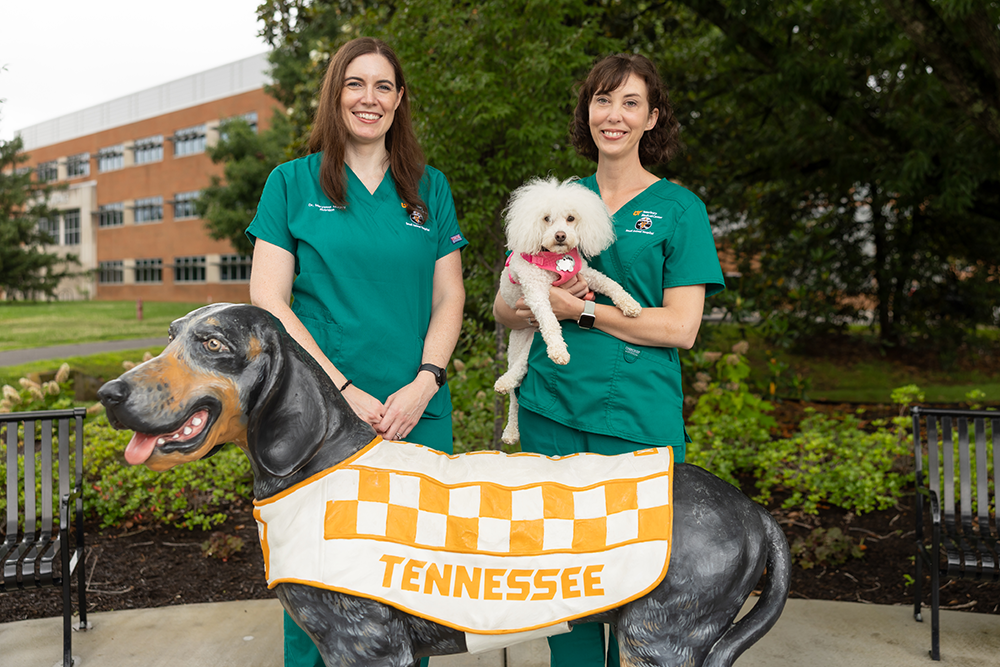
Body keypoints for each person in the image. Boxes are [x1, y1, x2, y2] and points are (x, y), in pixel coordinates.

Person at [493, 53, 725, 667]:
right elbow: (502, 306)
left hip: (637, 419)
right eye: (602, 100)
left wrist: (582, 313)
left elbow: (681, 328)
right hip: (551, 408)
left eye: (629, 103)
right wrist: (527, 301)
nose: (614, 115)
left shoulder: (679, 209)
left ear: (653, 117)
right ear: (586, 112)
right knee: (562, 586)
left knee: (638, 587)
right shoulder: (557, 200)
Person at [247, 37, 467, 667]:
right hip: (317, 420)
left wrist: (426, 380)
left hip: (412, 409)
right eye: (356, 84)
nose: (369, 99)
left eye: (383, 87)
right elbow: (269, 299)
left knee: (408, 585)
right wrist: (342, 389)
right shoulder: (291, 184)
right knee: (317, 583)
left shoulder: (430, 188)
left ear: (399, 102)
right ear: (335, 94)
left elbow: (449, 296)